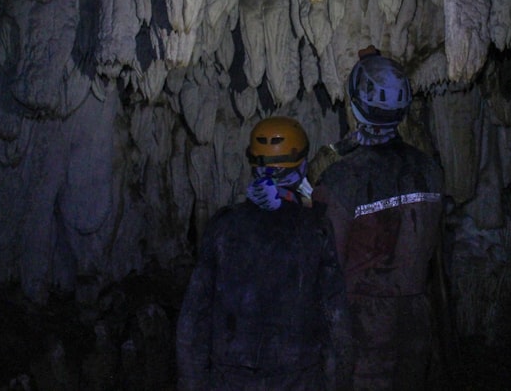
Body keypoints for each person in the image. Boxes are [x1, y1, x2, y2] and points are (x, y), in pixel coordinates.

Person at [175, 116, 352, 390]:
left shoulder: (223, 227)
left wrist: (193, 382)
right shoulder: (315, 230)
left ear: (254, 165)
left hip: (232, 376)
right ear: (302, 166)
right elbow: (335, 320)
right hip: (297, 375)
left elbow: (193, 319)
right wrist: (337, 381)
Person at [311, 47, 447, 390]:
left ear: (355, 107)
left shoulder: (342, 180)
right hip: (416, 319)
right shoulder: (429, 170)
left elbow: (327, 265)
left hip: (362, 326)